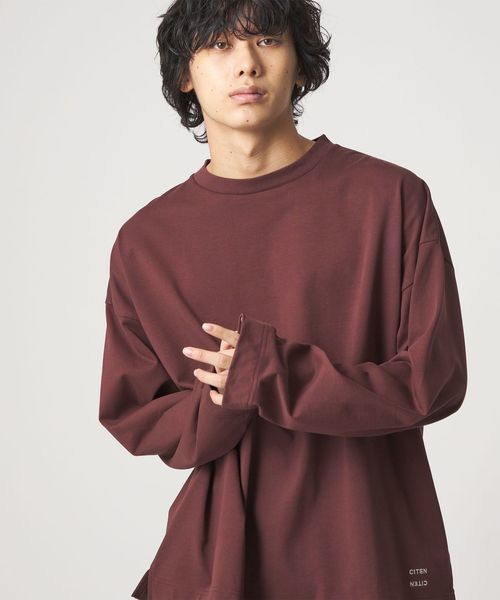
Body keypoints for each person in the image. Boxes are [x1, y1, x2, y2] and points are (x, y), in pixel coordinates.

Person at [98, 1, 468, 599]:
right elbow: (135, 414)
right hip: (221, 565)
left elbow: (435, 382)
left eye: (267, 40)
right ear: (185, 73)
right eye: (220, 44)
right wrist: (224, 400)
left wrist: (272, 373)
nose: (246, 63)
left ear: (300, 64)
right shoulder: (145, 242)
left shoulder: (391, 199)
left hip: (370, 552)